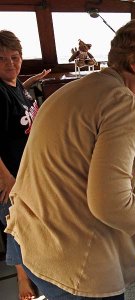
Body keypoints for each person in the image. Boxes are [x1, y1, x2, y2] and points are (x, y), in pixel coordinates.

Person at [5, 18, 135, 299]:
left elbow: (78, 166)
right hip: (73, 263)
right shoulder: (124, 103)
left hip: (34, 241)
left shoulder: (75, 89)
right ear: (134, 65)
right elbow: (112, 206)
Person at [0, 29, 51, 300]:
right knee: (15, 224)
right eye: (2, 59)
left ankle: (34, 271)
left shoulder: (15, 83)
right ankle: (23, 281)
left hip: (25, 171)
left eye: (15, 57)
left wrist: (32, 81)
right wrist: (8, 179)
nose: (10, 63)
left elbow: (19, 91)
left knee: (27, 223)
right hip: (9, 175)